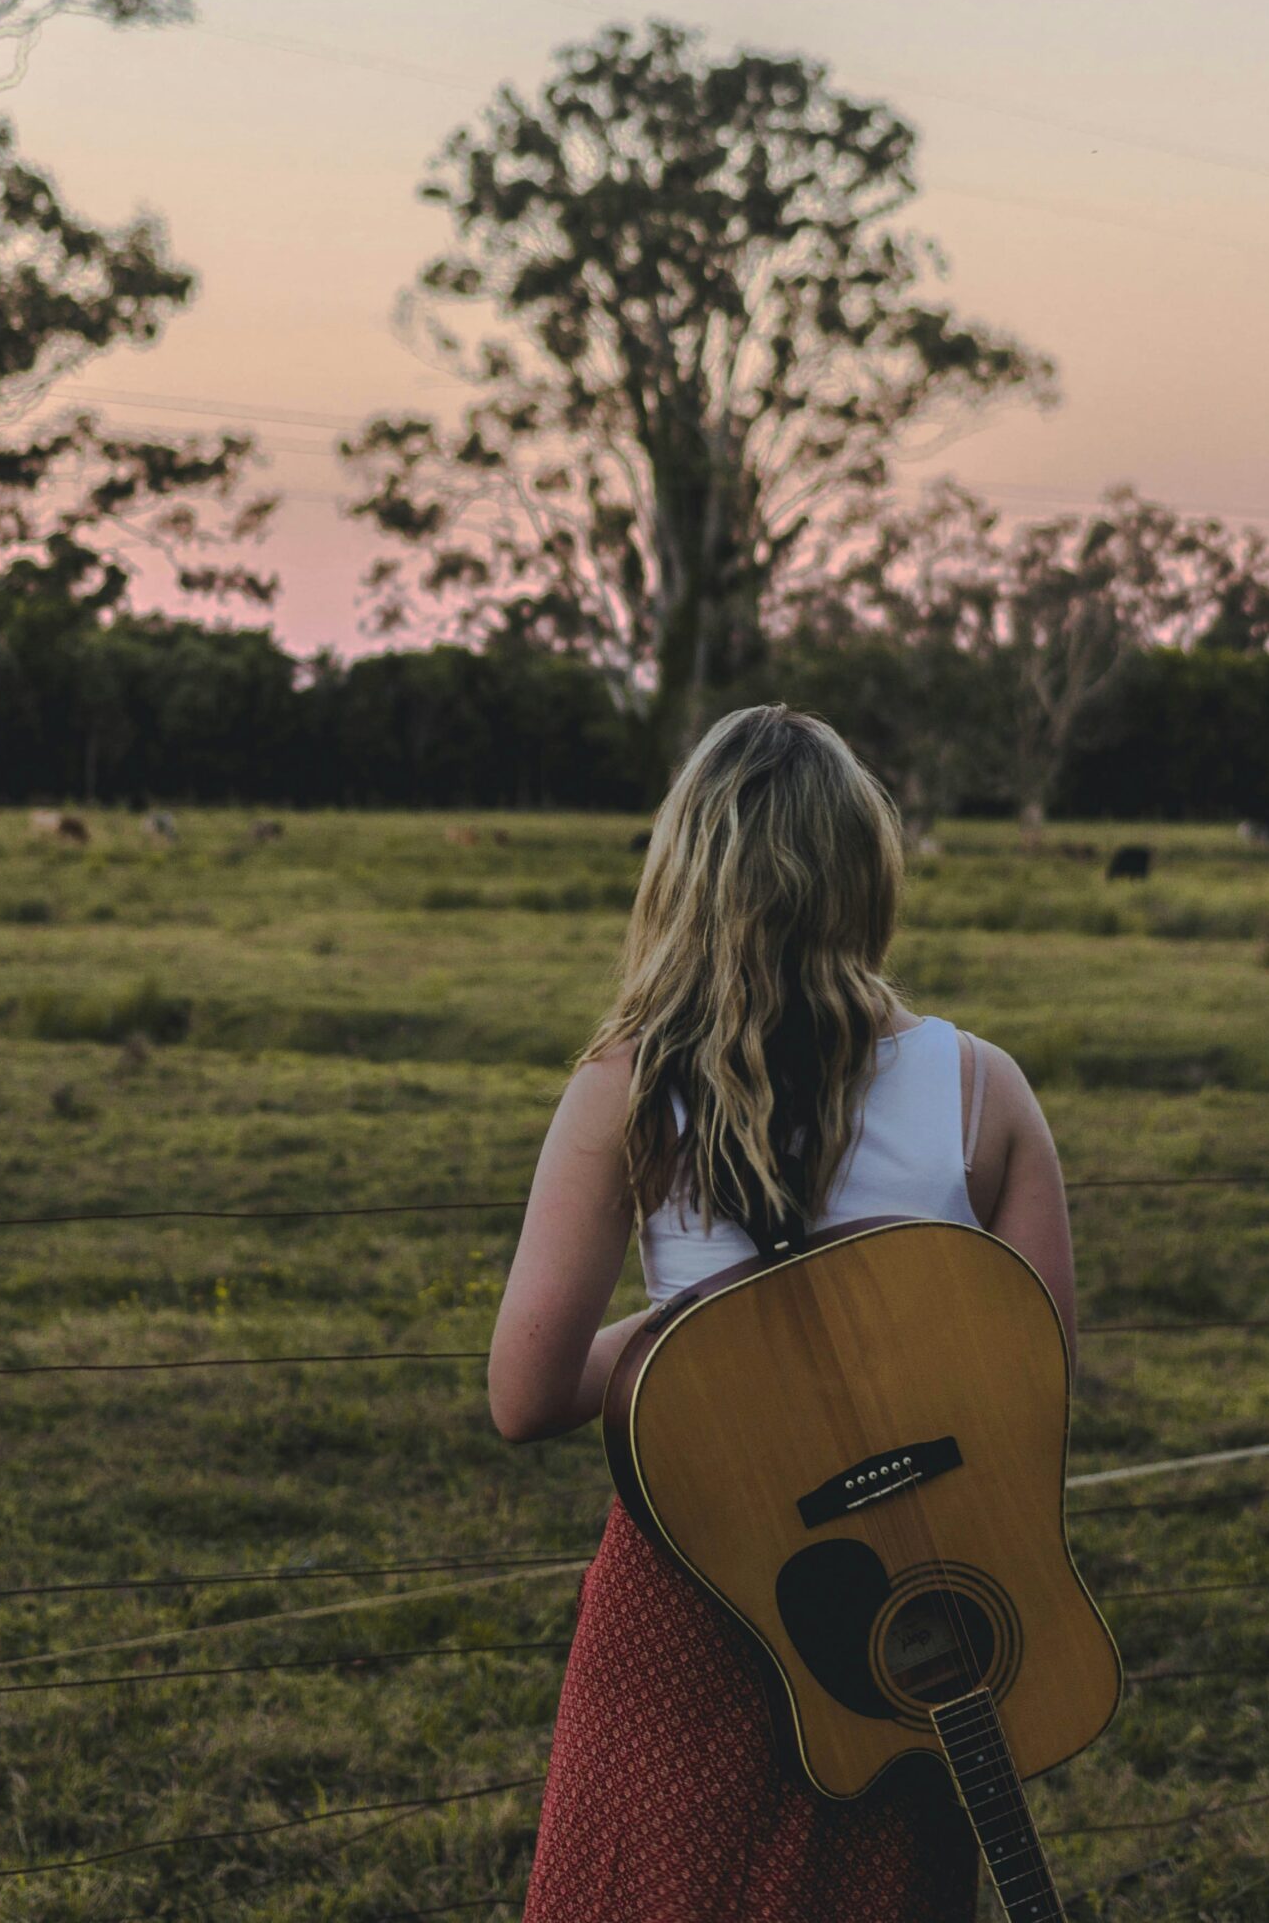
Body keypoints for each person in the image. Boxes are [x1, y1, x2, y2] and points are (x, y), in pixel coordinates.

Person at [489, 703, 1078, 1923]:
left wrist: (704, 1338)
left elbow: (526, 1391)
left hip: (691, 1582)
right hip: (905, 1613)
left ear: (684, 875)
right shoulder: (981, 1089)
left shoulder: (628, 1086)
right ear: (866, 874)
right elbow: (1035, 1389)